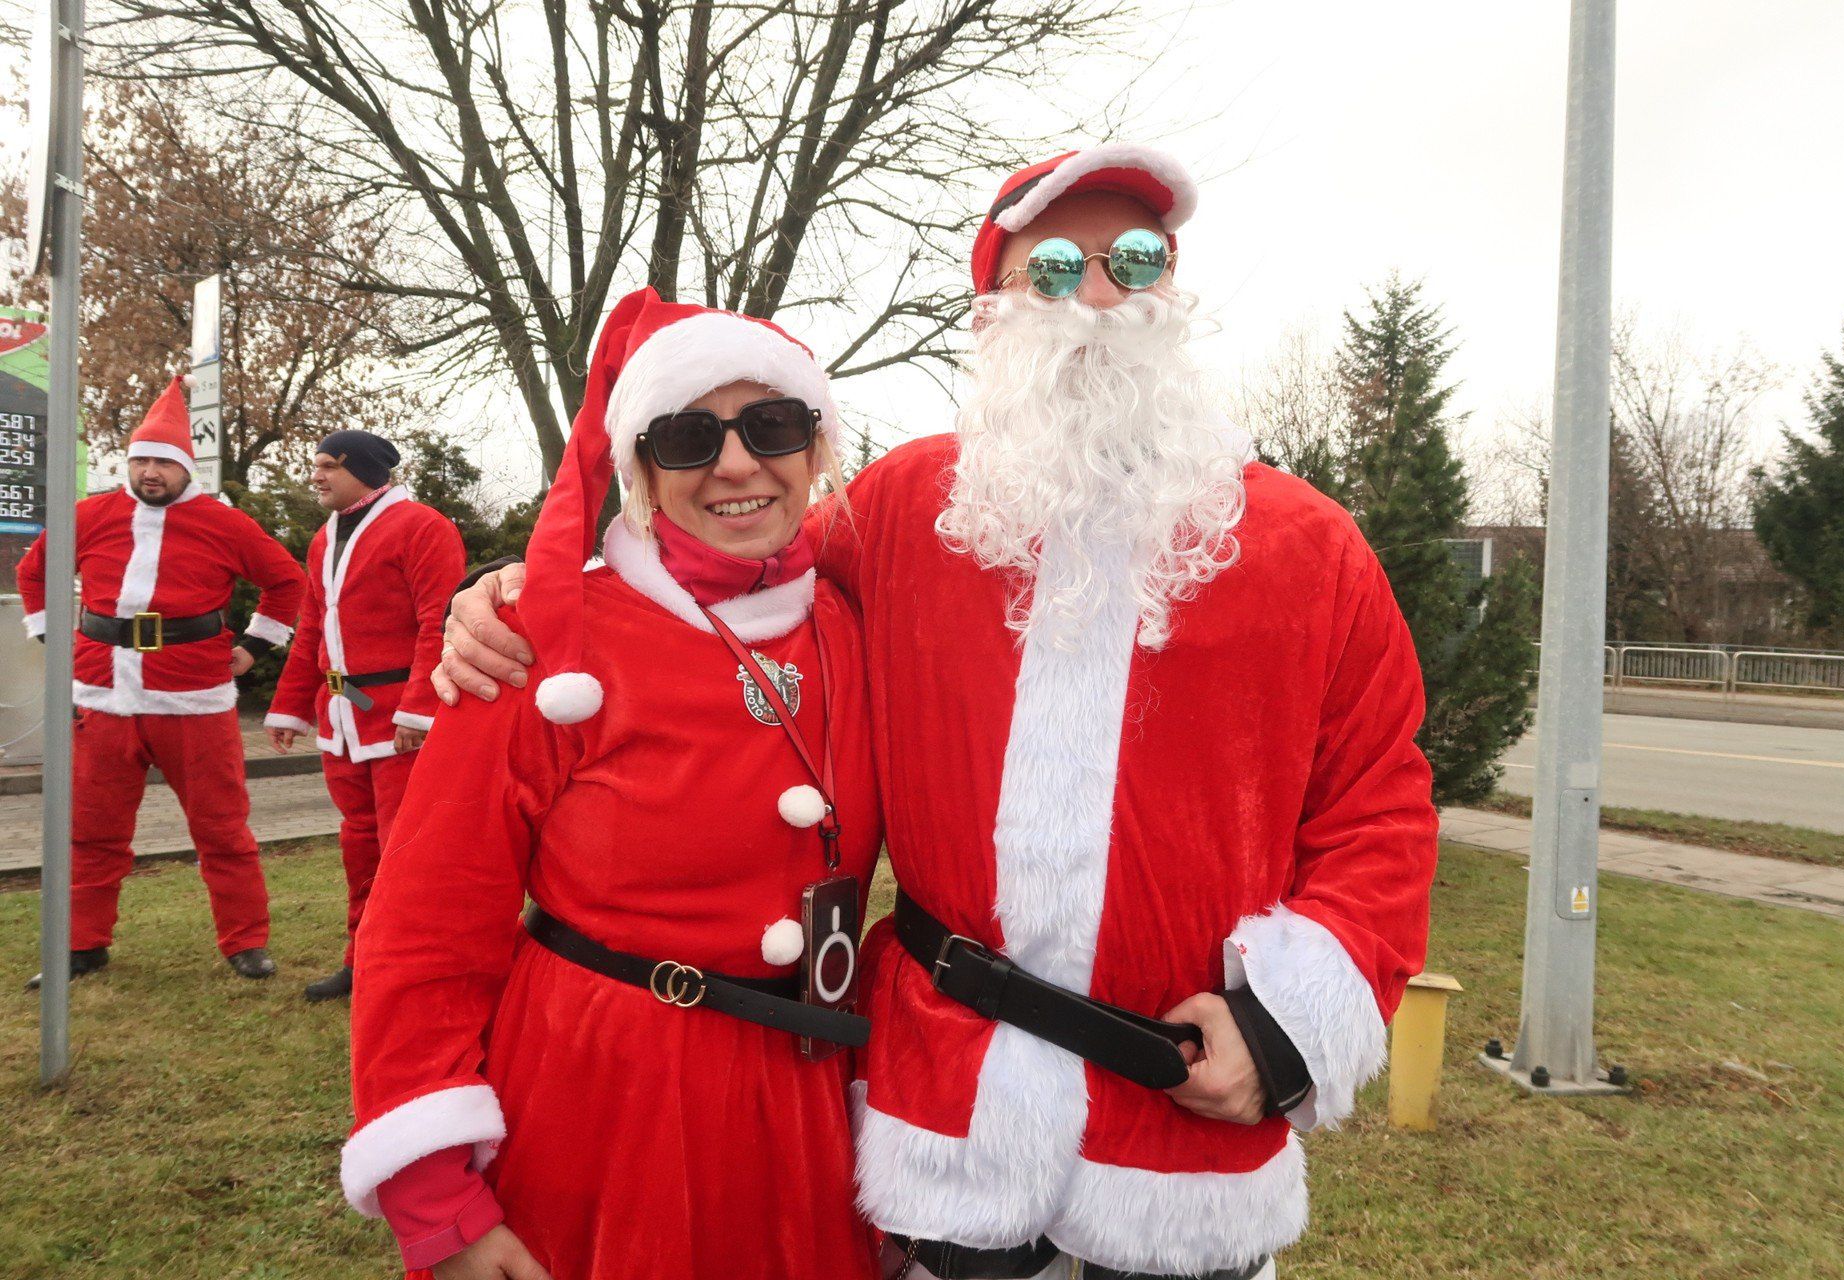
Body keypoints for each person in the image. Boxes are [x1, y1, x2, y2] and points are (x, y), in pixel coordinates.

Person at [442, 145, 1439, 1279]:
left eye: (1137, 260)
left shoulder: (1311, 549)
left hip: (1182, 1128)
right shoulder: (905, 507)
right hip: (945, 1115)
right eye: (1055, 267)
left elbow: (1382, 810)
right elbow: (714, 563)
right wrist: (520, 592)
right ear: (994, 307)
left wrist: (1282, 1029)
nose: (1101, 296)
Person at [340, 289, 883, 1280]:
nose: (734, 463)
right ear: (637, 466)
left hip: (809, 1095)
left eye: (771, 424)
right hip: (607, 1100)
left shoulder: (859, 622)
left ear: (818, 446)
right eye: (686, 436)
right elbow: (425, 922)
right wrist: (436, 1199)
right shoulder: (542, 644)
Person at [17, 375, 304, 987]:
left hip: (193, 697)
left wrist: (255, 646)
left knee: (221, 827)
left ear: (183, 468)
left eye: (162, 463)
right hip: (102, 694)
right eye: (140, 460)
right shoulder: (89, 515)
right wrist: (54, 640)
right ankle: (82, 944)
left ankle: (245, 942)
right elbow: (33, 572)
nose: (150, 472)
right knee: (91, 829)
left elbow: (288, 582)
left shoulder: (224, 524)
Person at [264, 431, 465, 1002]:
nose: (316, 475)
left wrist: (418, 712)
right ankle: (363, 959)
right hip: (343, 713)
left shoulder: (424, 528)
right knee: (359, 843)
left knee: (406, 847)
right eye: (316, 464)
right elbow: (312, 629)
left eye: (328, 466)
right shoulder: (322, 540)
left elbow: (440, 622)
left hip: (396, 715)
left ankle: (412, 967)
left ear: (366, 470)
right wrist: (291, 706)